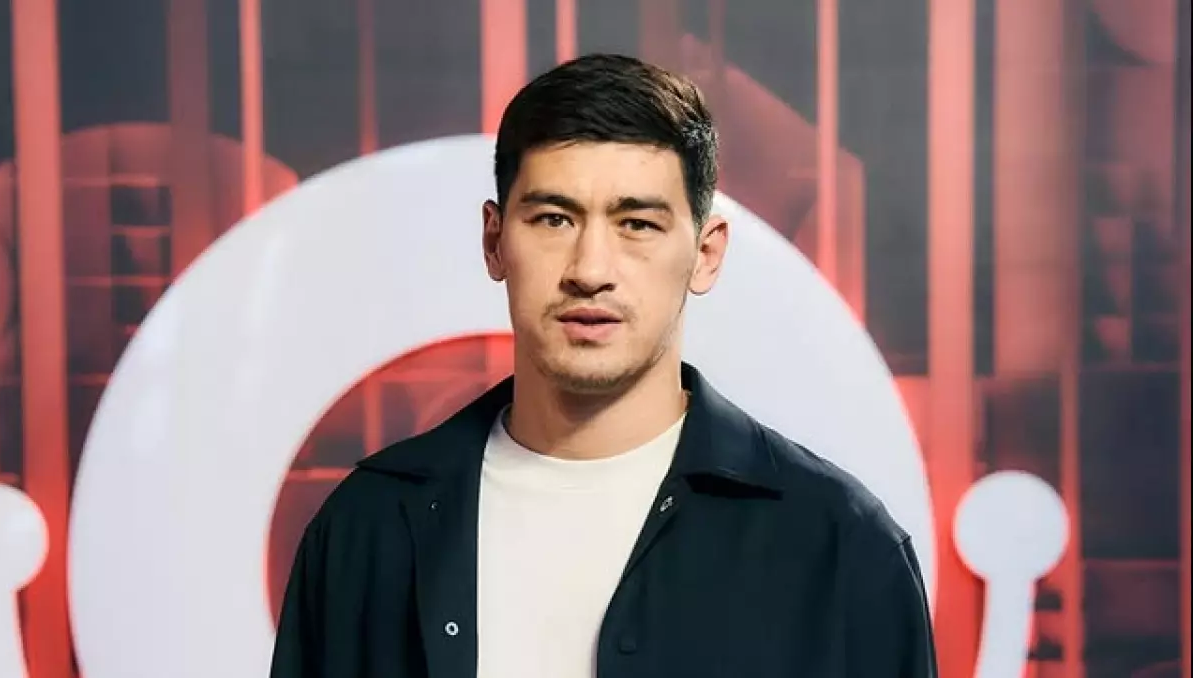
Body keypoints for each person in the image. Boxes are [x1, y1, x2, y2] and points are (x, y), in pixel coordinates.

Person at [269, 53, 937, 678]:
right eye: (553, 219)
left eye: (636, 224)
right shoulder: (367, 530)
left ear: (706, 253)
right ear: (495, 241)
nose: (590, 270)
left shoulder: (840, 546)